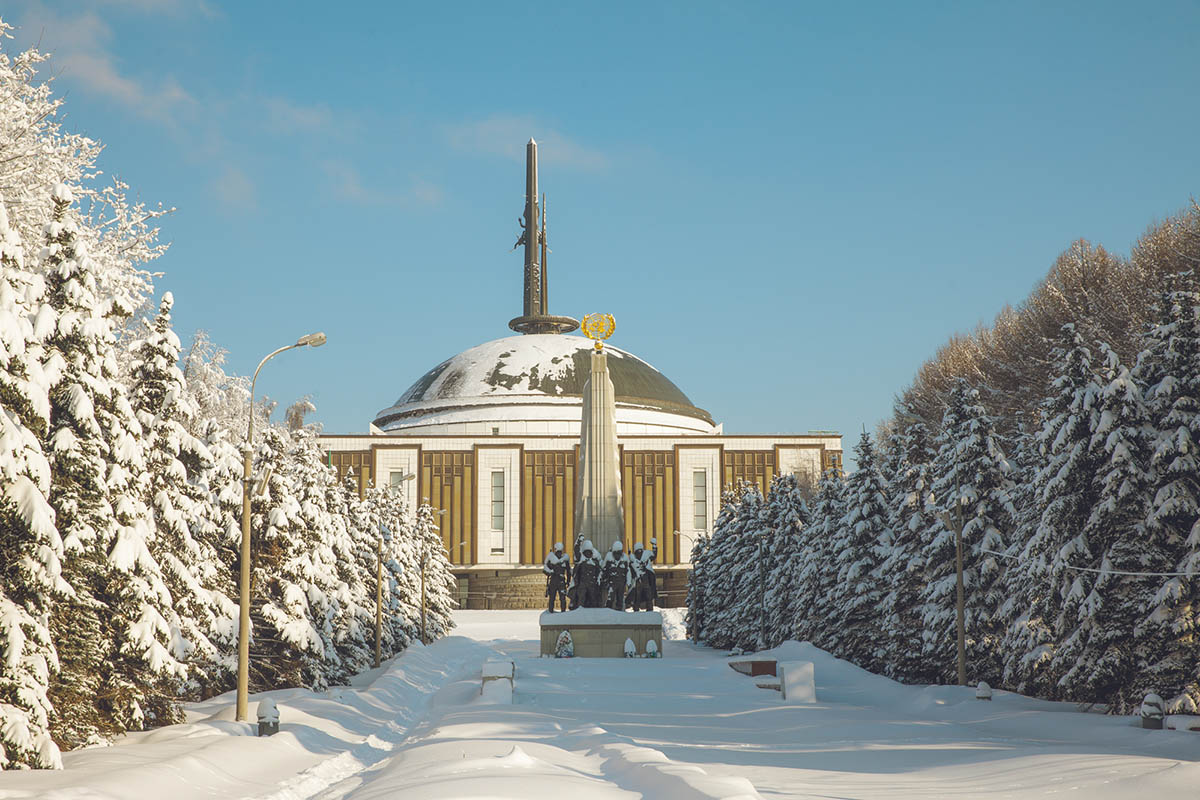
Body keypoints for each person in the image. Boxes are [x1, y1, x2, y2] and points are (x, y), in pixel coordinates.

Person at [601, 540, 631, 611]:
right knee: (610, 599)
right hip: (612, 583)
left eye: (619, 553)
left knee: (620, 599)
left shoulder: (625, 559)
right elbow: (604, 569)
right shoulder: (609, 559)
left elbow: (628, 571)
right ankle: (608, 613)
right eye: (616, 553)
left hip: (621, 584)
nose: (617, 555)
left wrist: (628, 582)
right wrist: (602, 579)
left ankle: (619, 614)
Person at [628, 541, 657, 611]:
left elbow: (653, 555)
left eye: (640, 551)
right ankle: (636, 609)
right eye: (638, 551)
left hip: (646, 579)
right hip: (638, 581)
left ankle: (649, 609)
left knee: (648, 596)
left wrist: (654, 547)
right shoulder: (633, 559)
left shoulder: (646, 556)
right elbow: (630, 570)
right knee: (637, 597)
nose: (639, 553)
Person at [574, 539, 603, 608]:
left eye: (589, 552)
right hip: (582, 583)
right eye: (586, 552)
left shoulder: (595, 563)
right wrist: (578, 542)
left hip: (592, 584)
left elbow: (599, 572)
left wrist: (598, 580)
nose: (588, 554)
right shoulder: (582, 561)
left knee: (593, 600)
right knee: (581, 600)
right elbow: (576, 552)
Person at [543, 542, 570, 612]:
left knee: (562, 598)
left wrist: (568, 581)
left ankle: (563, 612)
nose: (559, 553)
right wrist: (550, 572)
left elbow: (568, 571)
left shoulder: (565, 559)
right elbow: (545, 568)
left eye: (560, 552)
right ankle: (551, 611)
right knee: (552, 598)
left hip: (561, 581)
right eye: (558, 551)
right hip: (553, 581)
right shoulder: (551, 557)